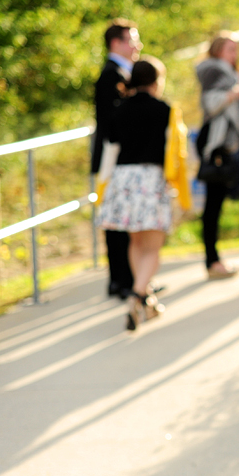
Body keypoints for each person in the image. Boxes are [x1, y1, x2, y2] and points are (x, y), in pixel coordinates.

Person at [97, 57, 173, 331]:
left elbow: (112, 145)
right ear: (155, 81)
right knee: (153, 247)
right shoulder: (164, 109)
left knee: (136, 243)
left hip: (124, 180)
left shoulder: (120, 110)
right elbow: (174, 149)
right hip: (151, 178)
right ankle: (138, 296)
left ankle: (143, 297)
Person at [196, 33, 239, 279]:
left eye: (236, 49)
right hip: (216, 145)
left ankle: (213, 259)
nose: (234, 54)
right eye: (229, 49)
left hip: (225, 144)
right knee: (213, 205)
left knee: (216, 204)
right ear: (216, 51)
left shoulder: (228, 72)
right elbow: (211, 103)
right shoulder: (215, 72)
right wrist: (235, 93)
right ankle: (212, 260)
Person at [92, 19, 141, 299]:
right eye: (132, 40)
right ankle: (121, 281)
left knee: (121, 221)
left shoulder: (121, 72)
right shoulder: (111, 75)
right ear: (116, 44)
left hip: (119, 158)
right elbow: (110, 123)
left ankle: (128, 279)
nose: (137, 46)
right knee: (116, 222)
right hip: (113, 159)